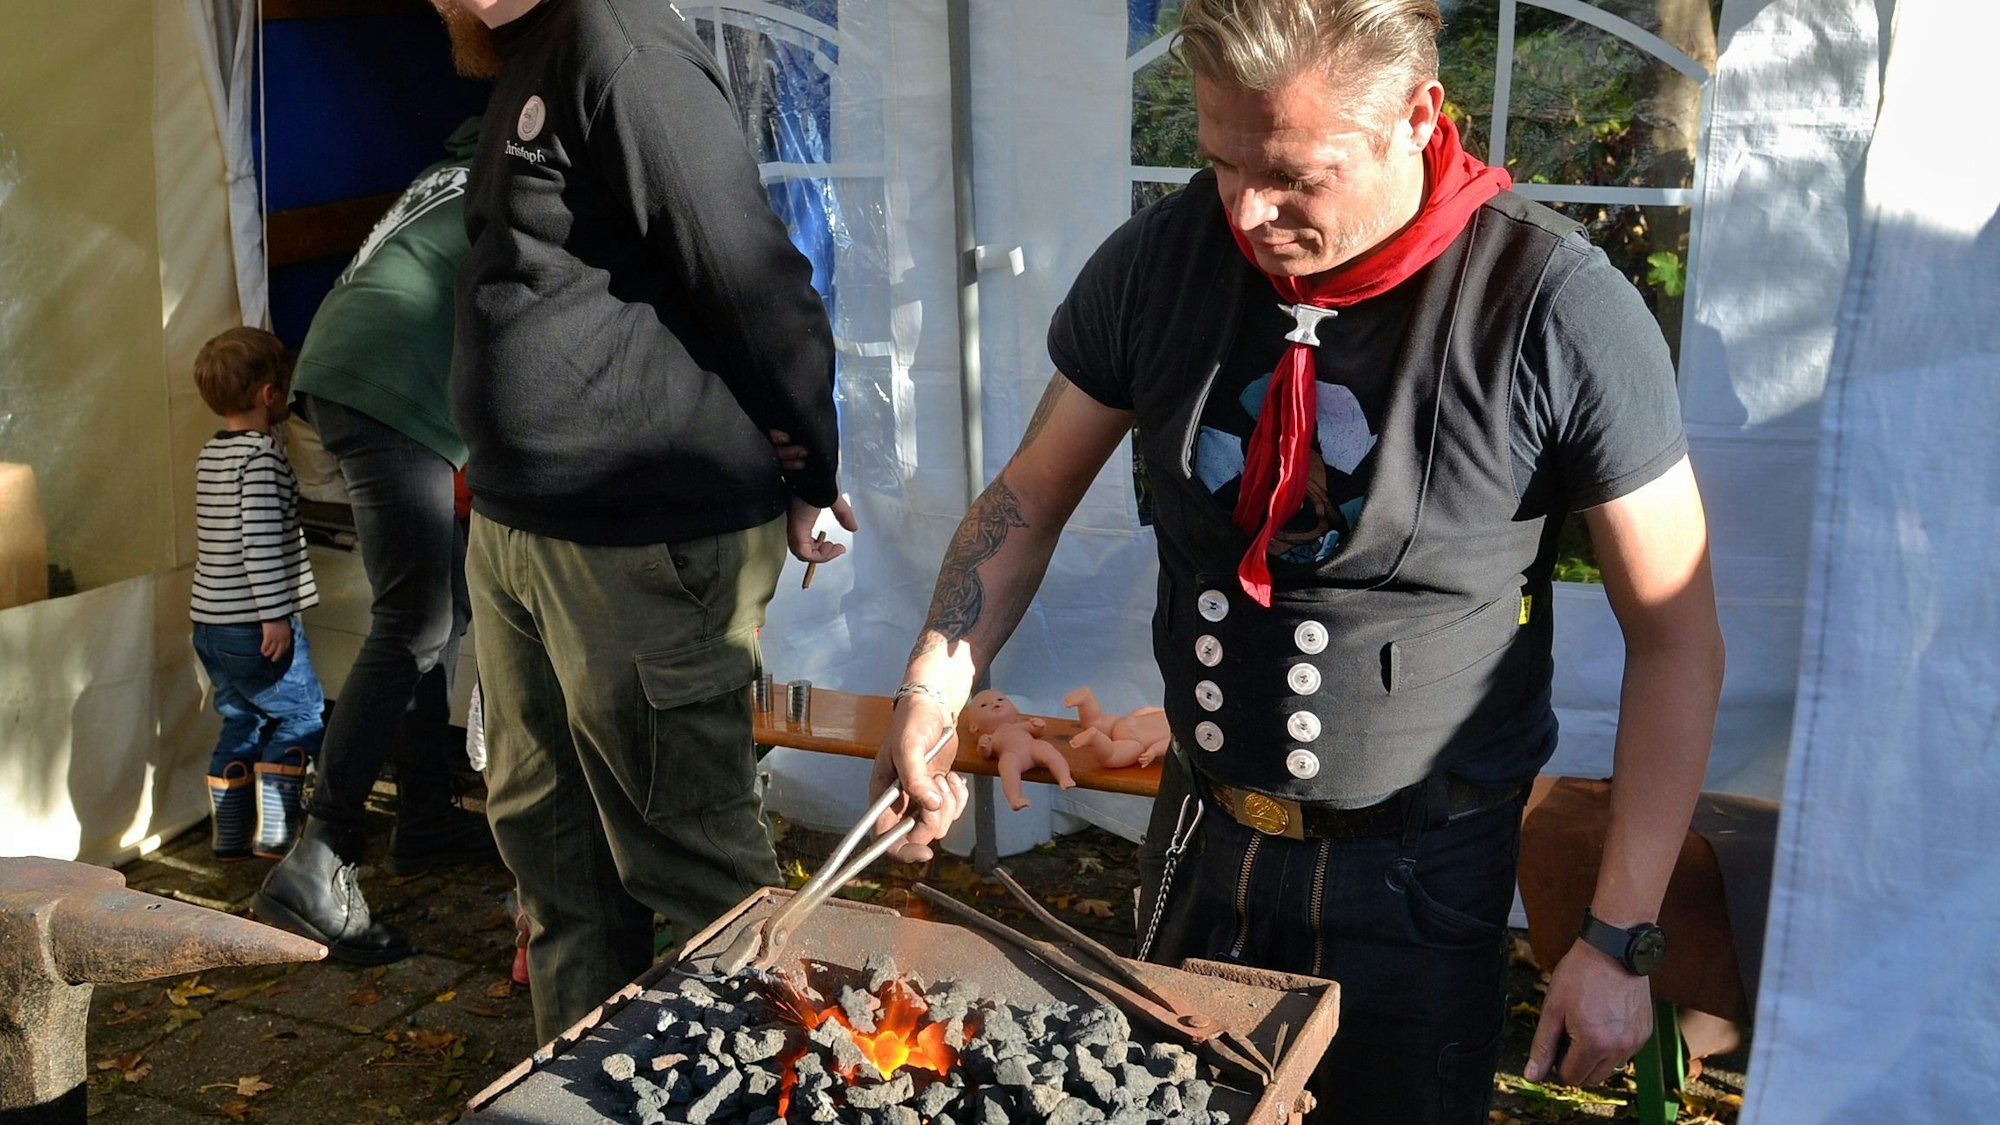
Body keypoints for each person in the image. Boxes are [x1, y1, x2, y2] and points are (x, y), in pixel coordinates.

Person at [869, 2, 1724, 1121]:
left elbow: (1675, 640)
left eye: (1293, 176)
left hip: (1421, 874)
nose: (1247, 210)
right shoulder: (1163, 262)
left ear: (1417, 116)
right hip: (1198, 837)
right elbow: (1026, 500)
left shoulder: (1550, 304)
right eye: (1218, 161)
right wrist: (934, 684)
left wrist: (1617, 938)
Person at [433, 0, 856, 1042]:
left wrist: (812, 461)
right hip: (521, 528)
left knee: (696, 866)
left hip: (639, 543)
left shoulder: (615, 45)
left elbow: (746, 272)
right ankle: (577, 1091)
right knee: (554, 858)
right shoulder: (522, 50)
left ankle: (774, 1080)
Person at [254, 120, 494, 966]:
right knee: (416, 619)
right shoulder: (522, 172)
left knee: (441, 607)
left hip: (345, 367)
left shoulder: (451, 164)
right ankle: (318, 858)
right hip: (387, 389)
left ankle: (425, 814)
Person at [189, 328, 326, 866]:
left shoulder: (210, 456)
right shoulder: (263, 458)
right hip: (254, 621)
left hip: (210, 623)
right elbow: (261, 542)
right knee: (301, 712)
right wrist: (274, 617)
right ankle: (276, 834)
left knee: (242, 716)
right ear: (271, 395)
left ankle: (229, 837)